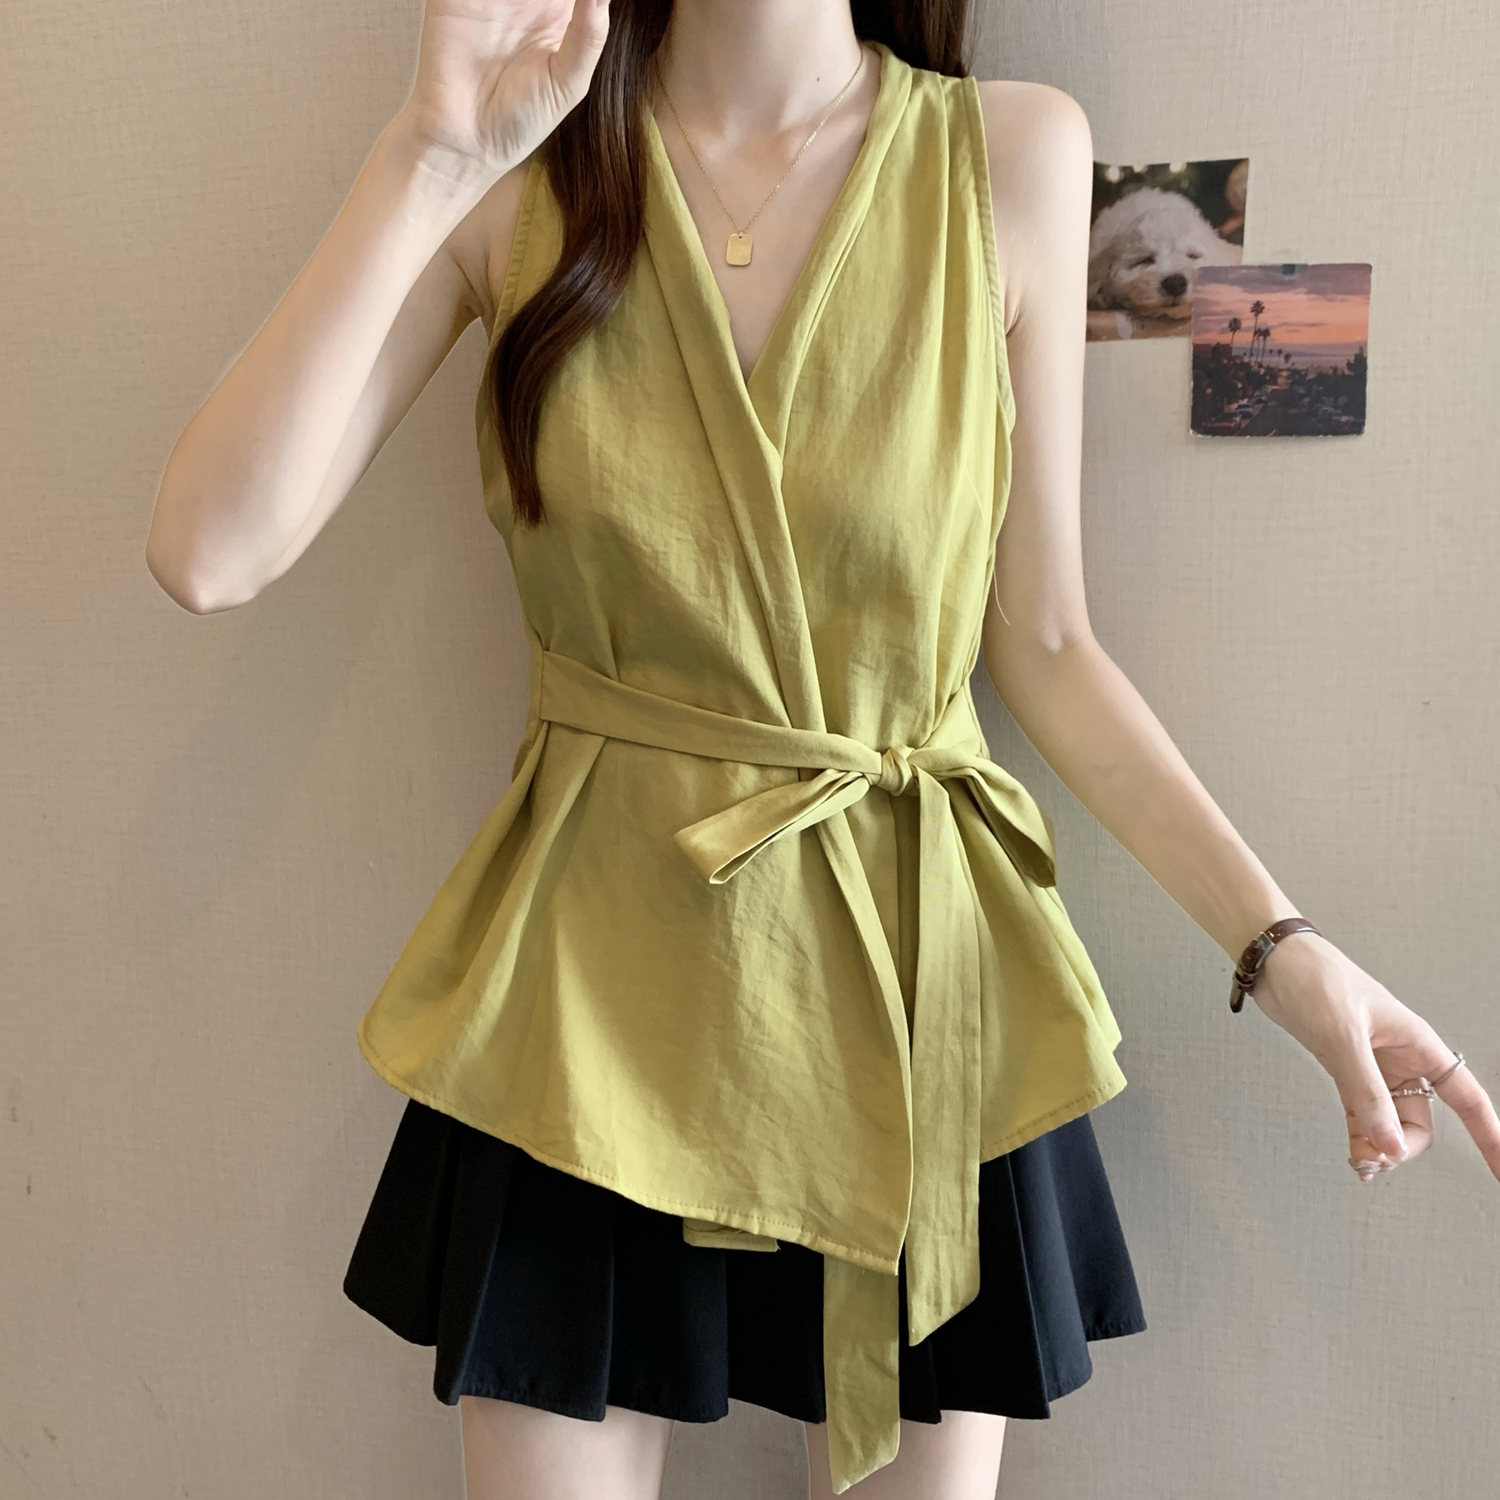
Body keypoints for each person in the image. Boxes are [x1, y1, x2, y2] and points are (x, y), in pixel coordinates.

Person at [144, 1, 1500, 1496]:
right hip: (587, 997)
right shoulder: (519, 166)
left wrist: (1285, 952)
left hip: (917, 980)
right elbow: (209, 552)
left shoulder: (1011, 155)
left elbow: (1045, 639)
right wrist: (429, 152)